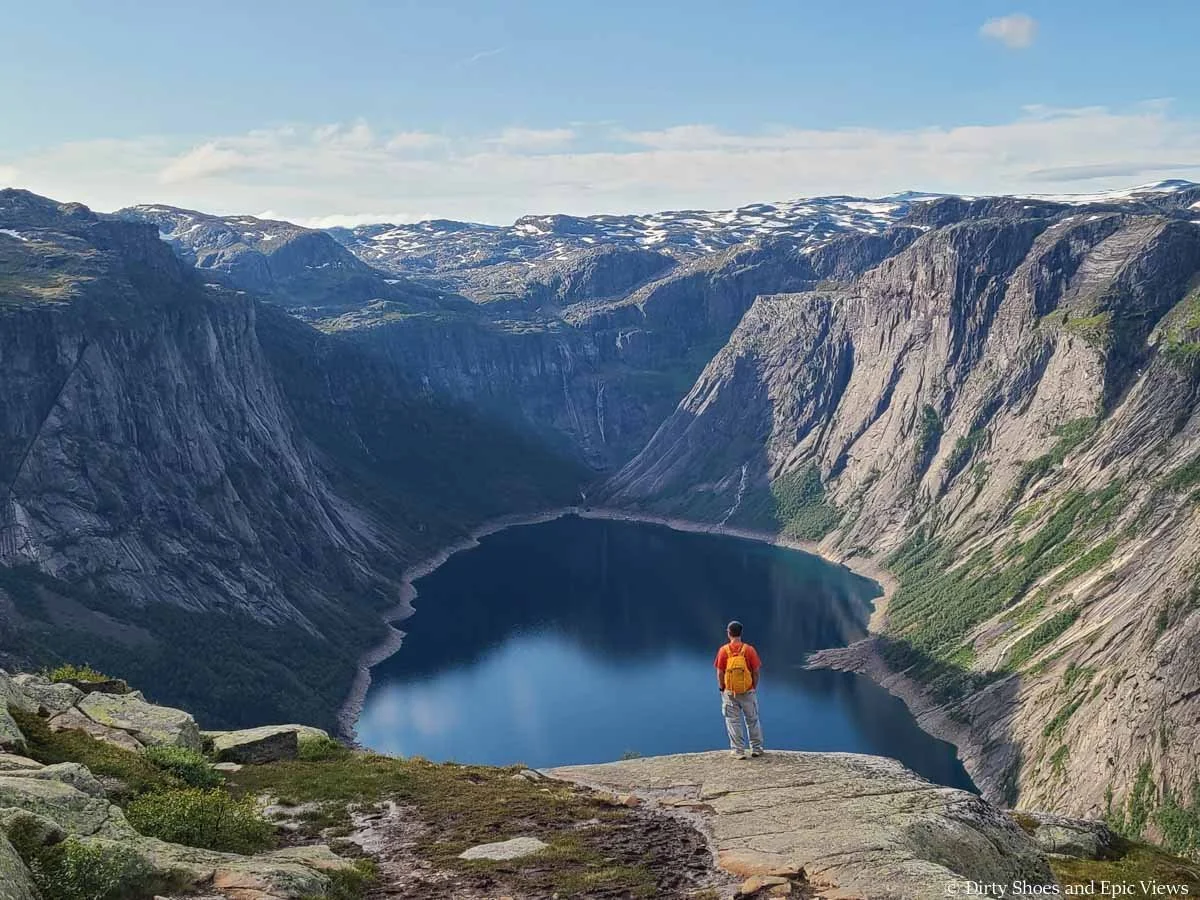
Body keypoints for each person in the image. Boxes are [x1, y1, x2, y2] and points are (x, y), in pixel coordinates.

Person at [714, 620, 763, 759]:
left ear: (729, 633)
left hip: (730, 692)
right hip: (747, 691)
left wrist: (722, 688)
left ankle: (738, 751)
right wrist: (753, 686)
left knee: (733, 721)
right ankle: (756, 748)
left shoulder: (724, 651)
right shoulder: (749, 650)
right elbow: (756, 671)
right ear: (741, 633)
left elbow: (720, 672)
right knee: (752, 720)